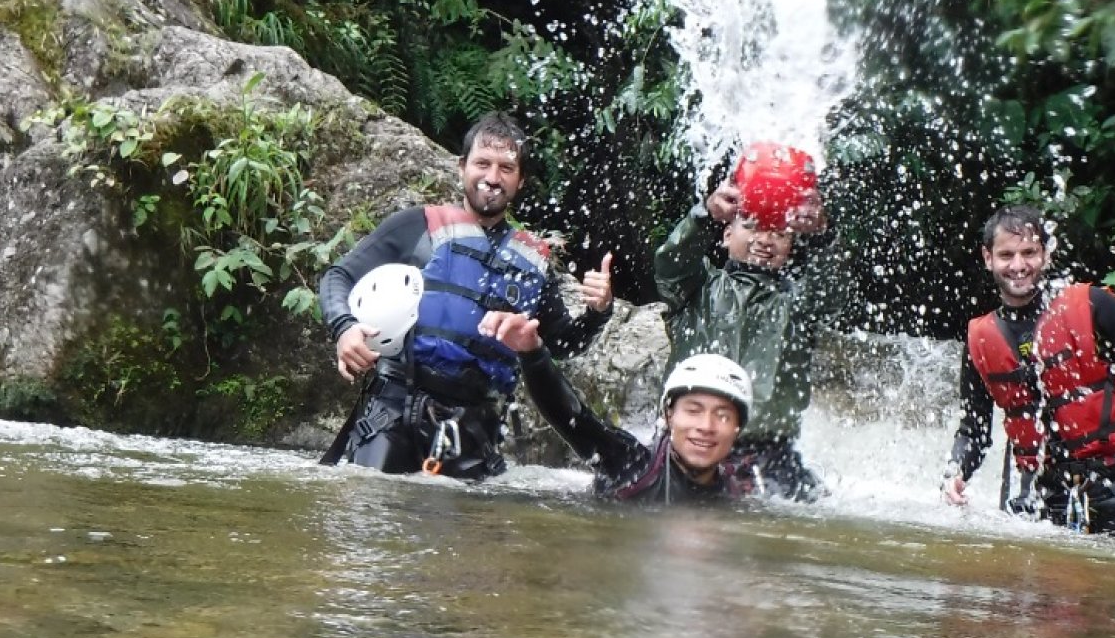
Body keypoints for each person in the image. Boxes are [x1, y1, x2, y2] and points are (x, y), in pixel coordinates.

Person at [318, 113, 614, 479]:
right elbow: (338, 276)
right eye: (482, 164)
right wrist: (344, 327)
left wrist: (598, 311)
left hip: (475, 433)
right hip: (393, 415)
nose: (493, 177)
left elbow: (564, 345)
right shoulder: (417, 227)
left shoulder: (534, 263)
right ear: (462, 167)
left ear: (520, 180)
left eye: (506, 168)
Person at [943, 205, 1115, 538]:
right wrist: (955, 472)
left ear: (1046, 255)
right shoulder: (980, 340)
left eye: (1029, 253)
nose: (1018, 265)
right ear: (988, 258)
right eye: (1006, 255)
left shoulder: (1094, 305)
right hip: (1039, 500)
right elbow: (974, 432)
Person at [652, 142, 843, 501]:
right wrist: (704, 214)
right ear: (726, 234)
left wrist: (822, 234)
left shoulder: (798, 303)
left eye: (779, 232)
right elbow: (670, 263)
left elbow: (833, 291)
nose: (764, 240)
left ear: (791, 246)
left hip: (771, 455)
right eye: (752, 225)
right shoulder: (698, 289)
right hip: (690, 444)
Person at [479, 309, 757, 504]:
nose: (706, 426)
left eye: (723, 416)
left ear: (738, 428)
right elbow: (572, 418)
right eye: (693, 411)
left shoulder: (746, 486)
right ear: (668, 415)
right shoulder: (631, 465)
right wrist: (532, 353)